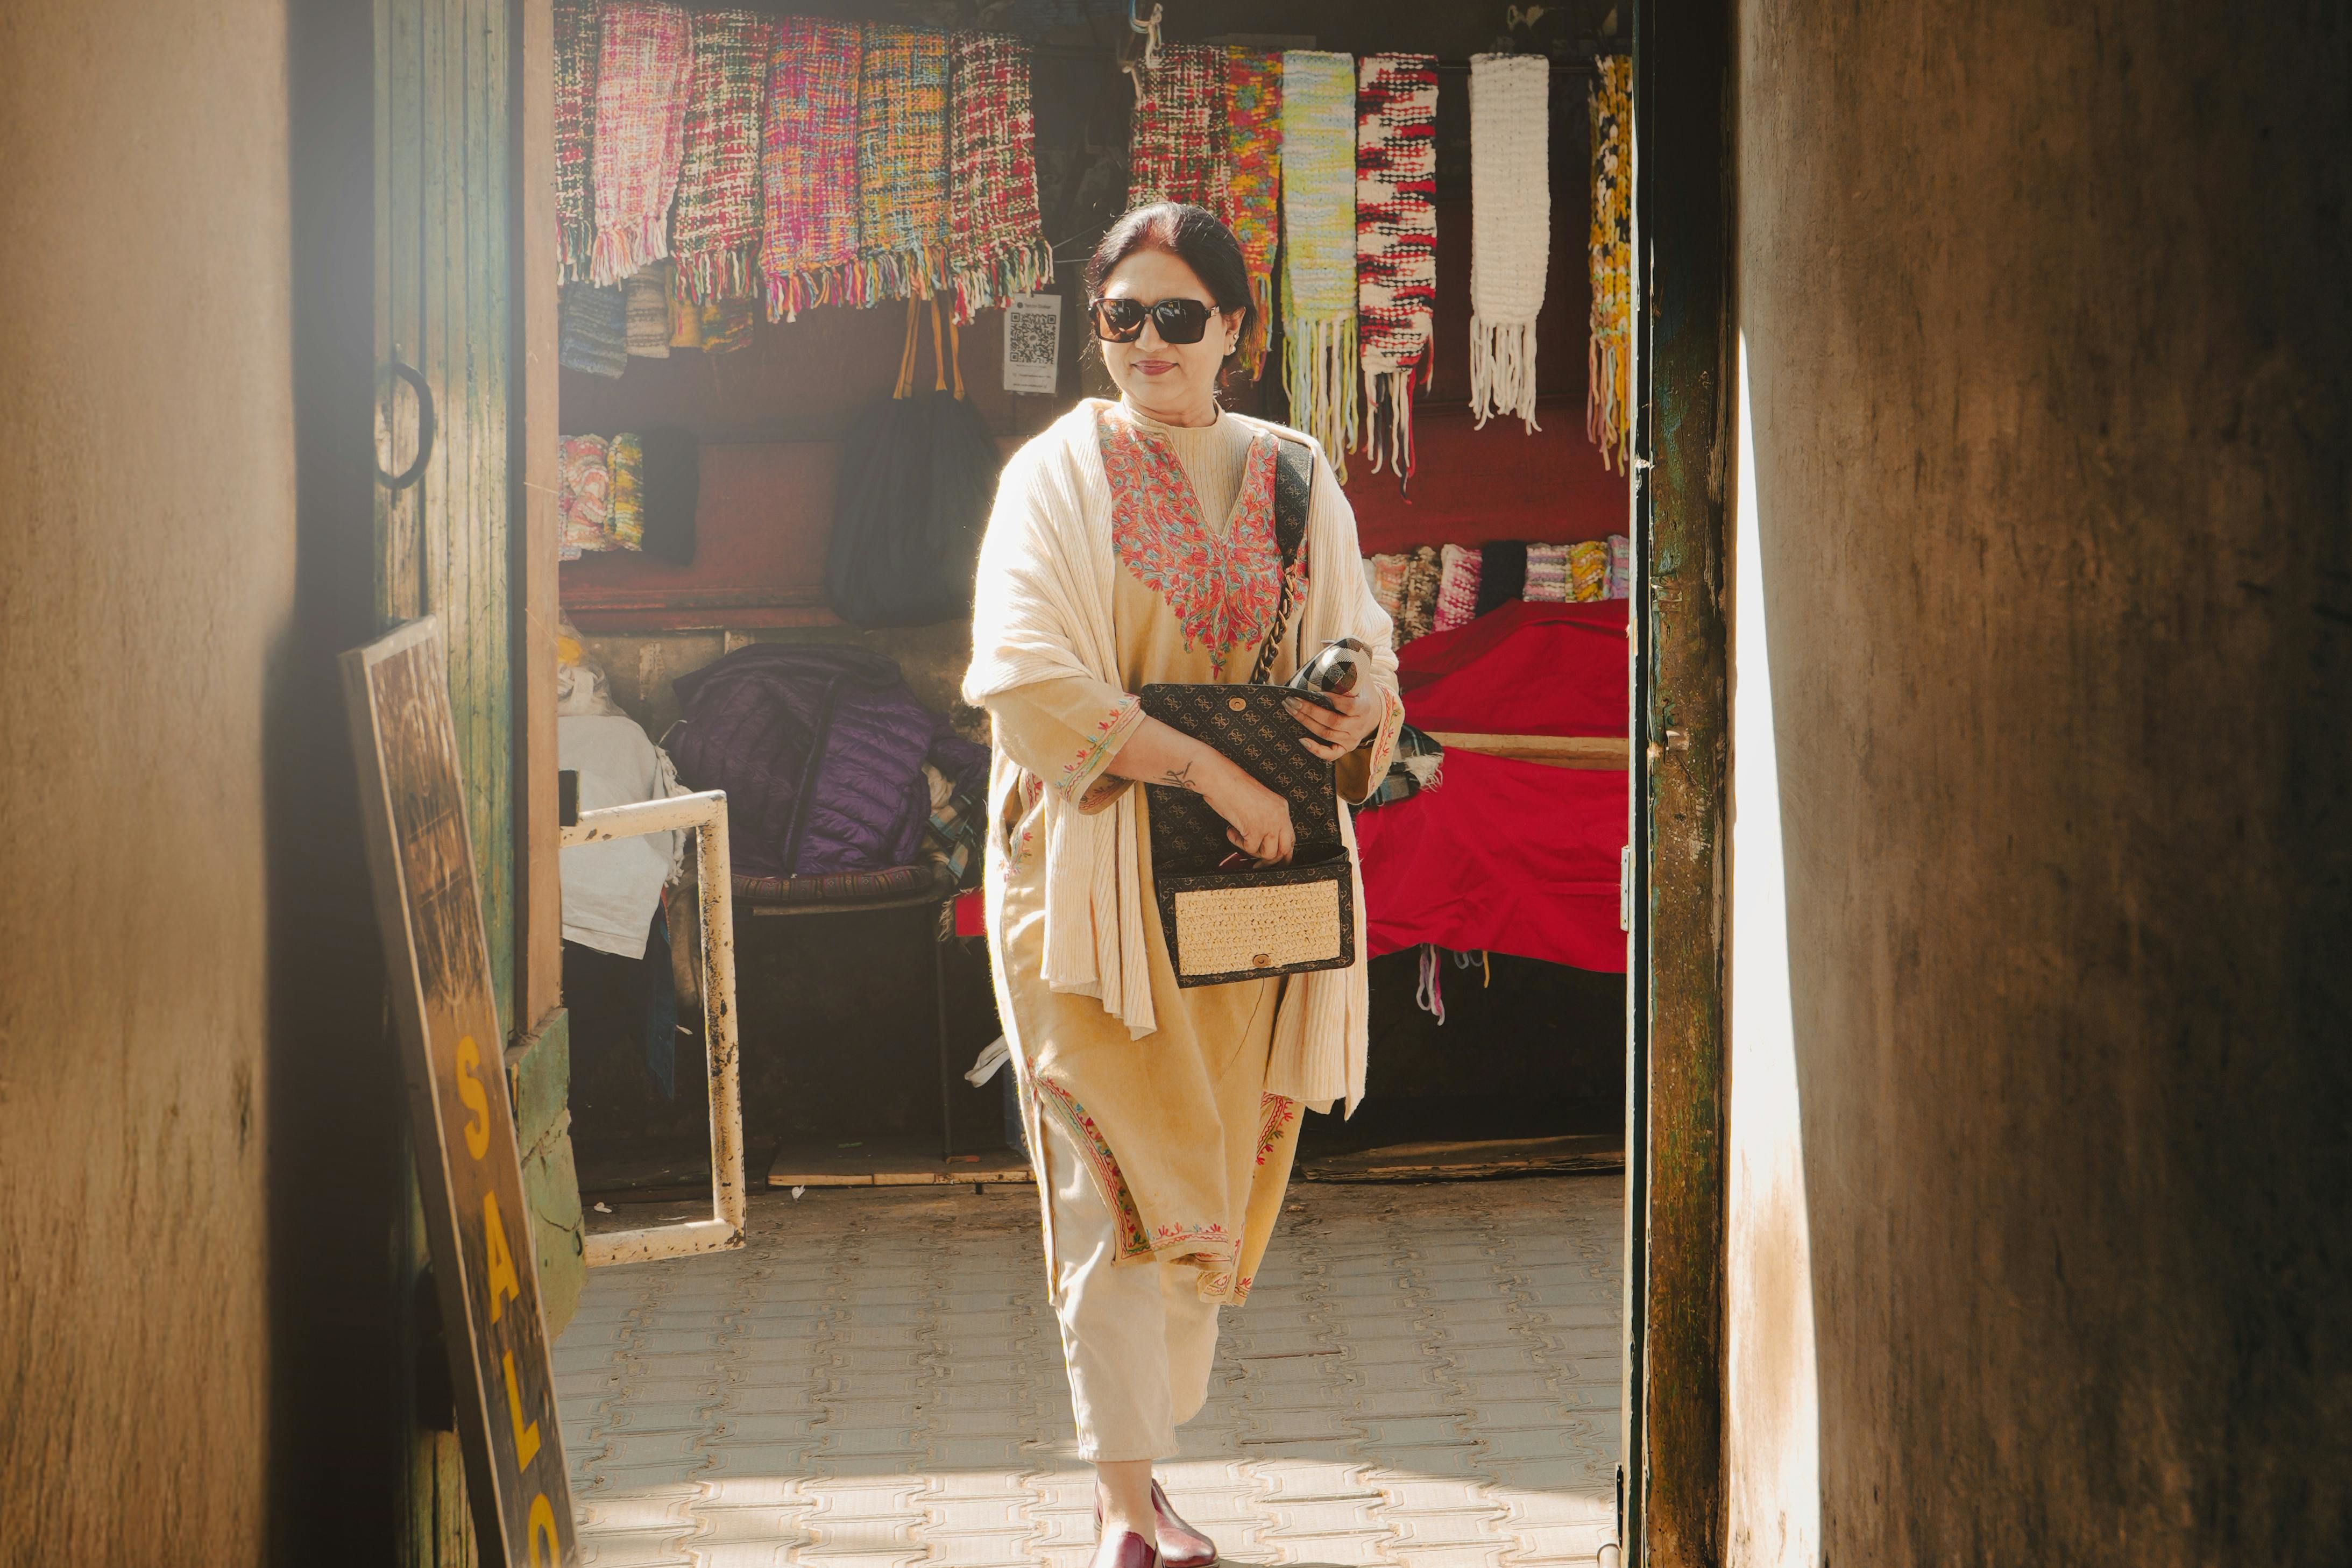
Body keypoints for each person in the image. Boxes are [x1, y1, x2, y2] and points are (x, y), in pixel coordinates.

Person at [963, 203, 1405, 1568]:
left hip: (1244, 891)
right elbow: (1023, 675)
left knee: (1204, 1177)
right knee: (1107, 1180)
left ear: (1236, 331)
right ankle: (1120, 1508)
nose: (1146, 344)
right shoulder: (1055, 473)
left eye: (1177, 317)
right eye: (1121, 319)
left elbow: (1362, 641)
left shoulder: (1290, 472)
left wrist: (1359, 701)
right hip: (1090, 885)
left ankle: (1146, 1480)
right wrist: (1212, 774)